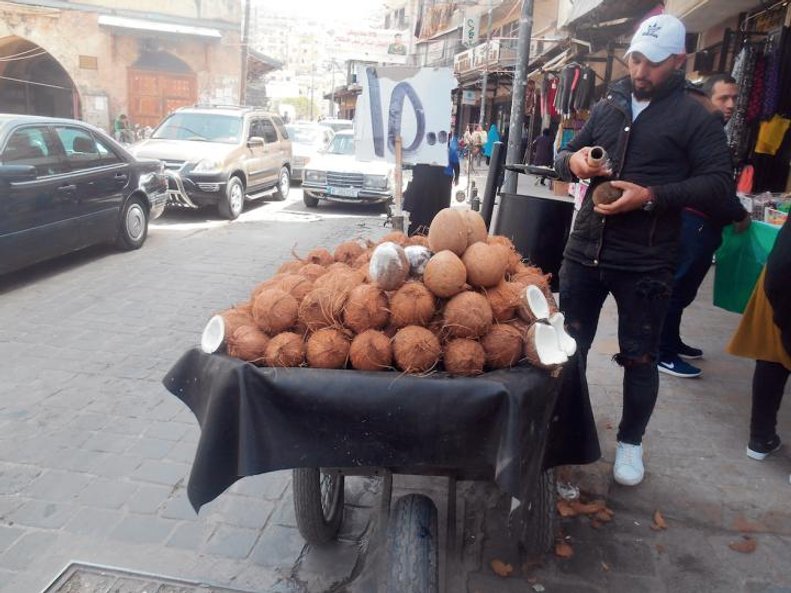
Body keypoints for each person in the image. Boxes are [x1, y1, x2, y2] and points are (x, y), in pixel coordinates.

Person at [553, 14, 740, 487]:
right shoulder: (609, 105)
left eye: (654, 64)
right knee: (567, 349)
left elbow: (718, 185)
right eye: (636, 59)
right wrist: (572, 160)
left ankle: (631, 442)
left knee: (640, 356)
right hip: (584, 251)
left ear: (678, 61)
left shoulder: (696, 116)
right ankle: (565, 435)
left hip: (646, 260)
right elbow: (564, 154)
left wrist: (653, 196)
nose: (640, 71)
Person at [657, 73, 750, 378]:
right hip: (693, 220)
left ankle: (672, 341)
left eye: (734, 98)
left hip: (700, 222)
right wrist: (737, 212)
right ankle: (663, 353)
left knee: (683, 289)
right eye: (723, 98)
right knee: (677, 287)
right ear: (706, 99)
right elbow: (714, 187)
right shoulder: (703, 130)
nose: (731, 104)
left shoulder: (711, 130)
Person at [726, 216, 790, 461]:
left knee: (771, 357)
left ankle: (760, 438)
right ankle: (761, 437)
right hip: (780, 284)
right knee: (772, 355)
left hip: (778, 280)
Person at [403, 135, 458, 236]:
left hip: (440, 181)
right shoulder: (421, 151)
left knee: (435, 208)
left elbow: (455, 164)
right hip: (433, 182)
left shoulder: (446, 151)